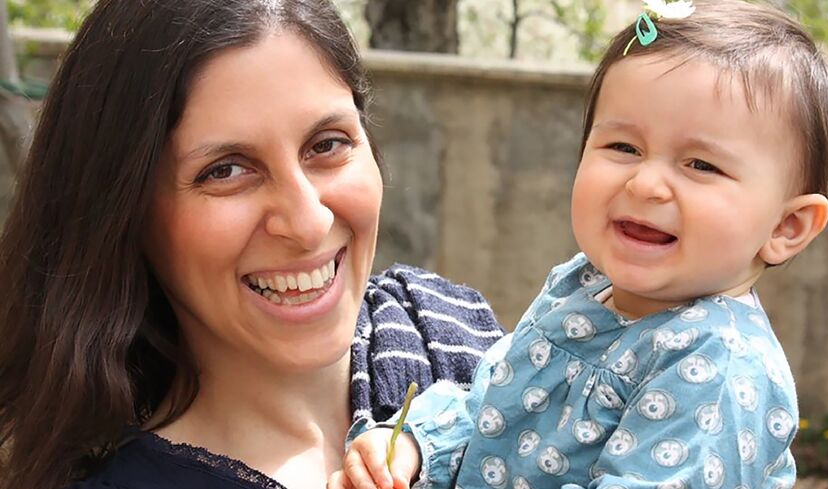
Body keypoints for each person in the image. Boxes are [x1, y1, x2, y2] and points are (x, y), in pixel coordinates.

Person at [333, 1, 828, 488]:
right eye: (624, 146)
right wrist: (414, 445)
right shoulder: (580, 285)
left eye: (701, 164)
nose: (646, 184)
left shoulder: (719, 367)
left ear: (786, 227)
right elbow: (489, 404)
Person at [0, 1, 505, 488]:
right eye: (225, 171)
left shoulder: (450, 329)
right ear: (125, 211)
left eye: (327, 144)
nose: (308, 223)